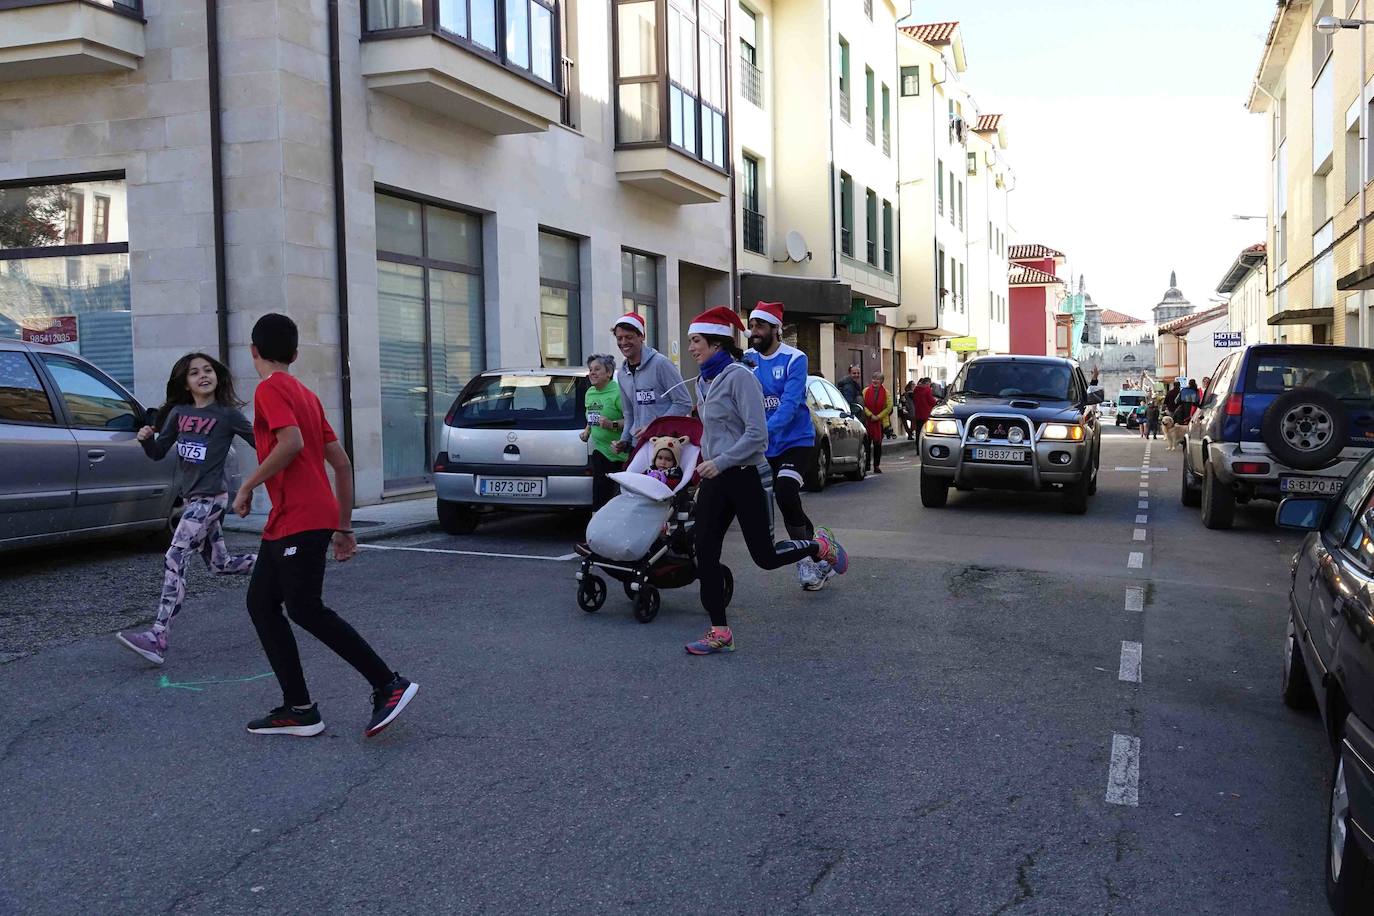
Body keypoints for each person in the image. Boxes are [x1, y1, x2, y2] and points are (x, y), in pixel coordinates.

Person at [233, 314, 417, 738]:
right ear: (295, 354)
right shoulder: (306, 395)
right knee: (262, 604)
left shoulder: (269, 389)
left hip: (300, 517)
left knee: (303, 607)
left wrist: (247, 485)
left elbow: (291, 442)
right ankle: (299, 709)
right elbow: (342, 463)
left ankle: (388, 684)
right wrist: (344, 527)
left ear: (253, 351)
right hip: (291, 520)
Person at [683, 307, 849, 656]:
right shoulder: (703, 380)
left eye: (695, 341)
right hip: (716, 478)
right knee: (705, 551)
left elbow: (758, 437)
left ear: (715, 343)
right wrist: (697, 458)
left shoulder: (740, 377)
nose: (690, 348)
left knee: (766, 557)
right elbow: (713, 433)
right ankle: (720, 632)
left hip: (745, 476)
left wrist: (722, 460)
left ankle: (818, 547)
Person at [116, 353, 257, 666]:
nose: (203, 375)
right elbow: (157, 452)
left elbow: (262, 443)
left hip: (212, 498)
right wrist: (145, 440)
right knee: (221, 564)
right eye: (195, 372)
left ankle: (158, 635)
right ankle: (276, 566)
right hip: (193, 500)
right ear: (185, 382)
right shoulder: (178, 413)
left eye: (208, 370)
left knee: (175, 555)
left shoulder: (227, 415)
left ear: (217, 376)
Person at [744, 301, 830, 592]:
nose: (753, 331)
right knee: (770, 501)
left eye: (759, 326)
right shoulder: (746, 360)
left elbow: (791, 404)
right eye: (752, 325)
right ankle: (818, 546)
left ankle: (805, 559)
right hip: (762, 445)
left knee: (785, 492)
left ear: (775, 329)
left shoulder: (795, 359)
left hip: (796, 441)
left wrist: (762, 433)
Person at [611, 313, 692, 454]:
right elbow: (628, 413)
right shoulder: (622, 373)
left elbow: (683, 403)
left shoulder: (661, 363)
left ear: (641, 336)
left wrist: (654, 427)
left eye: (629, 337)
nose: (623, 343)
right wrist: (624, 440)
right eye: (619, 338)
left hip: (665, 447)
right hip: (638, 446)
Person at [580, 353, 625, 511]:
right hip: (600, 451)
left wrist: (611, 425)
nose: (592, 372)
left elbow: (632, 422)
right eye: (590, 369)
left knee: (619, 499)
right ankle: (596, 530)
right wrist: (587, 431)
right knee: (599, 495)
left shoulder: (618, 393)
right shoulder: (590, 393)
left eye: (597, 369)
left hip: (620, 453)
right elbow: (592, 417)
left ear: (609, 372)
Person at [861, 372, 892, 474]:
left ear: (882, 381)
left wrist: (878, 417)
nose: (875, 381)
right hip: (868, 421)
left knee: (877, 445)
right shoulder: (865, 391)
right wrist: (870, 415)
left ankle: (876, 465)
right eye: (873, 378)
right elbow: (862, 405)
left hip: (880, 423)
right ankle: (866, 465)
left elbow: (889, 407)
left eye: (877, 379)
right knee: (867, 444)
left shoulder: (886, 393)